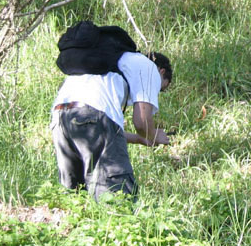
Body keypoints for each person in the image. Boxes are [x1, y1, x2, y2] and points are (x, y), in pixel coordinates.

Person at [50, 51, 172, 201]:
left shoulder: (113, 62)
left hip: (60, 115)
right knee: (118, 197)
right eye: (161, 88)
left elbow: (101, 128)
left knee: (74, 198)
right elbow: (141, 122)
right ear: (161, 72)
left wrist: (139, 139)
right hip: (91, 112)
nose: (157, 92)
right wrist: (153, 135)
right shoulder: (149, 68)